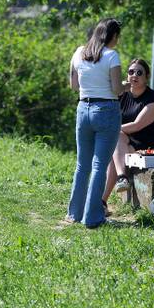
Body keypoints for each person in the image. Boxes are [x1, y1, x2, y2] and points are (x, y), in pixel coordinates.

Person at [66, 18, 128, 228]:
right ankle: (92, 217)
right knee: (99, 165)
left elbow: (74, 85)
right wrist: (127, 86)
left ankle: (74, 213)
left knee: (82, 165)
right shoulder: (112, 56)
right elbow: (117, 89)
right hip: (107, 110)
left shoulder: (79, 52)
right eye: (117, 36)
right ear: (112, 36)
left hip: (83, 109)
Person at [103, 58, 154, 209]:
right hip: (123, 144)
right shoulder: (121, 95)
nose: (134, 75)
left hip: (146, 146)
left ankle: (104, 198)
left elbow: (136, 125)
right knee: (116, 144)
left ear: (147, 77)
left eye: (139, 72)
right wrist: (118, 88)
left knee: (115, 143)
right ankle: (103, 200)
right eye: (131, 72)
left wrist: (112, 130)